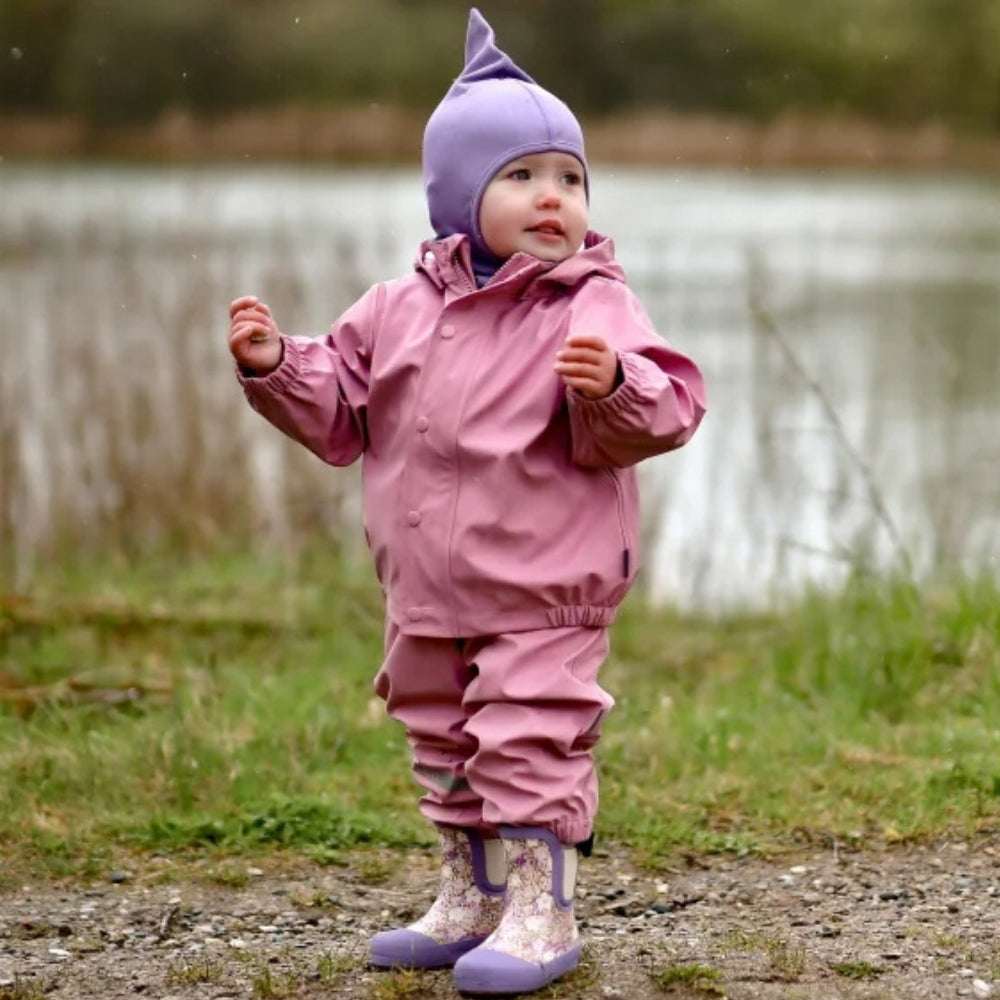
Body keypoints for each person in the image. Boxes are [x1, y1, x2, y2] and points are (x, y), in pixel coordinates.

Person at [227, 8, 706, 996]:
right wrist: (278, 367)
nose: (553, 197)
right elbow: (342, 411)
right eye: (521, 176)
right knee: (440, 733)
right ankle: (470, 891)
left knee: (528, 735)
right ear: (457, 194)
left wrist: (614, 384)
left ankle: (541, 908)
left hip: (545, 587)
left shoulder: (591, 303)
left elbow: (669, 407)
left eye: (570, 178)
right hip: (426, 587)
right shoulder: (394, 308)